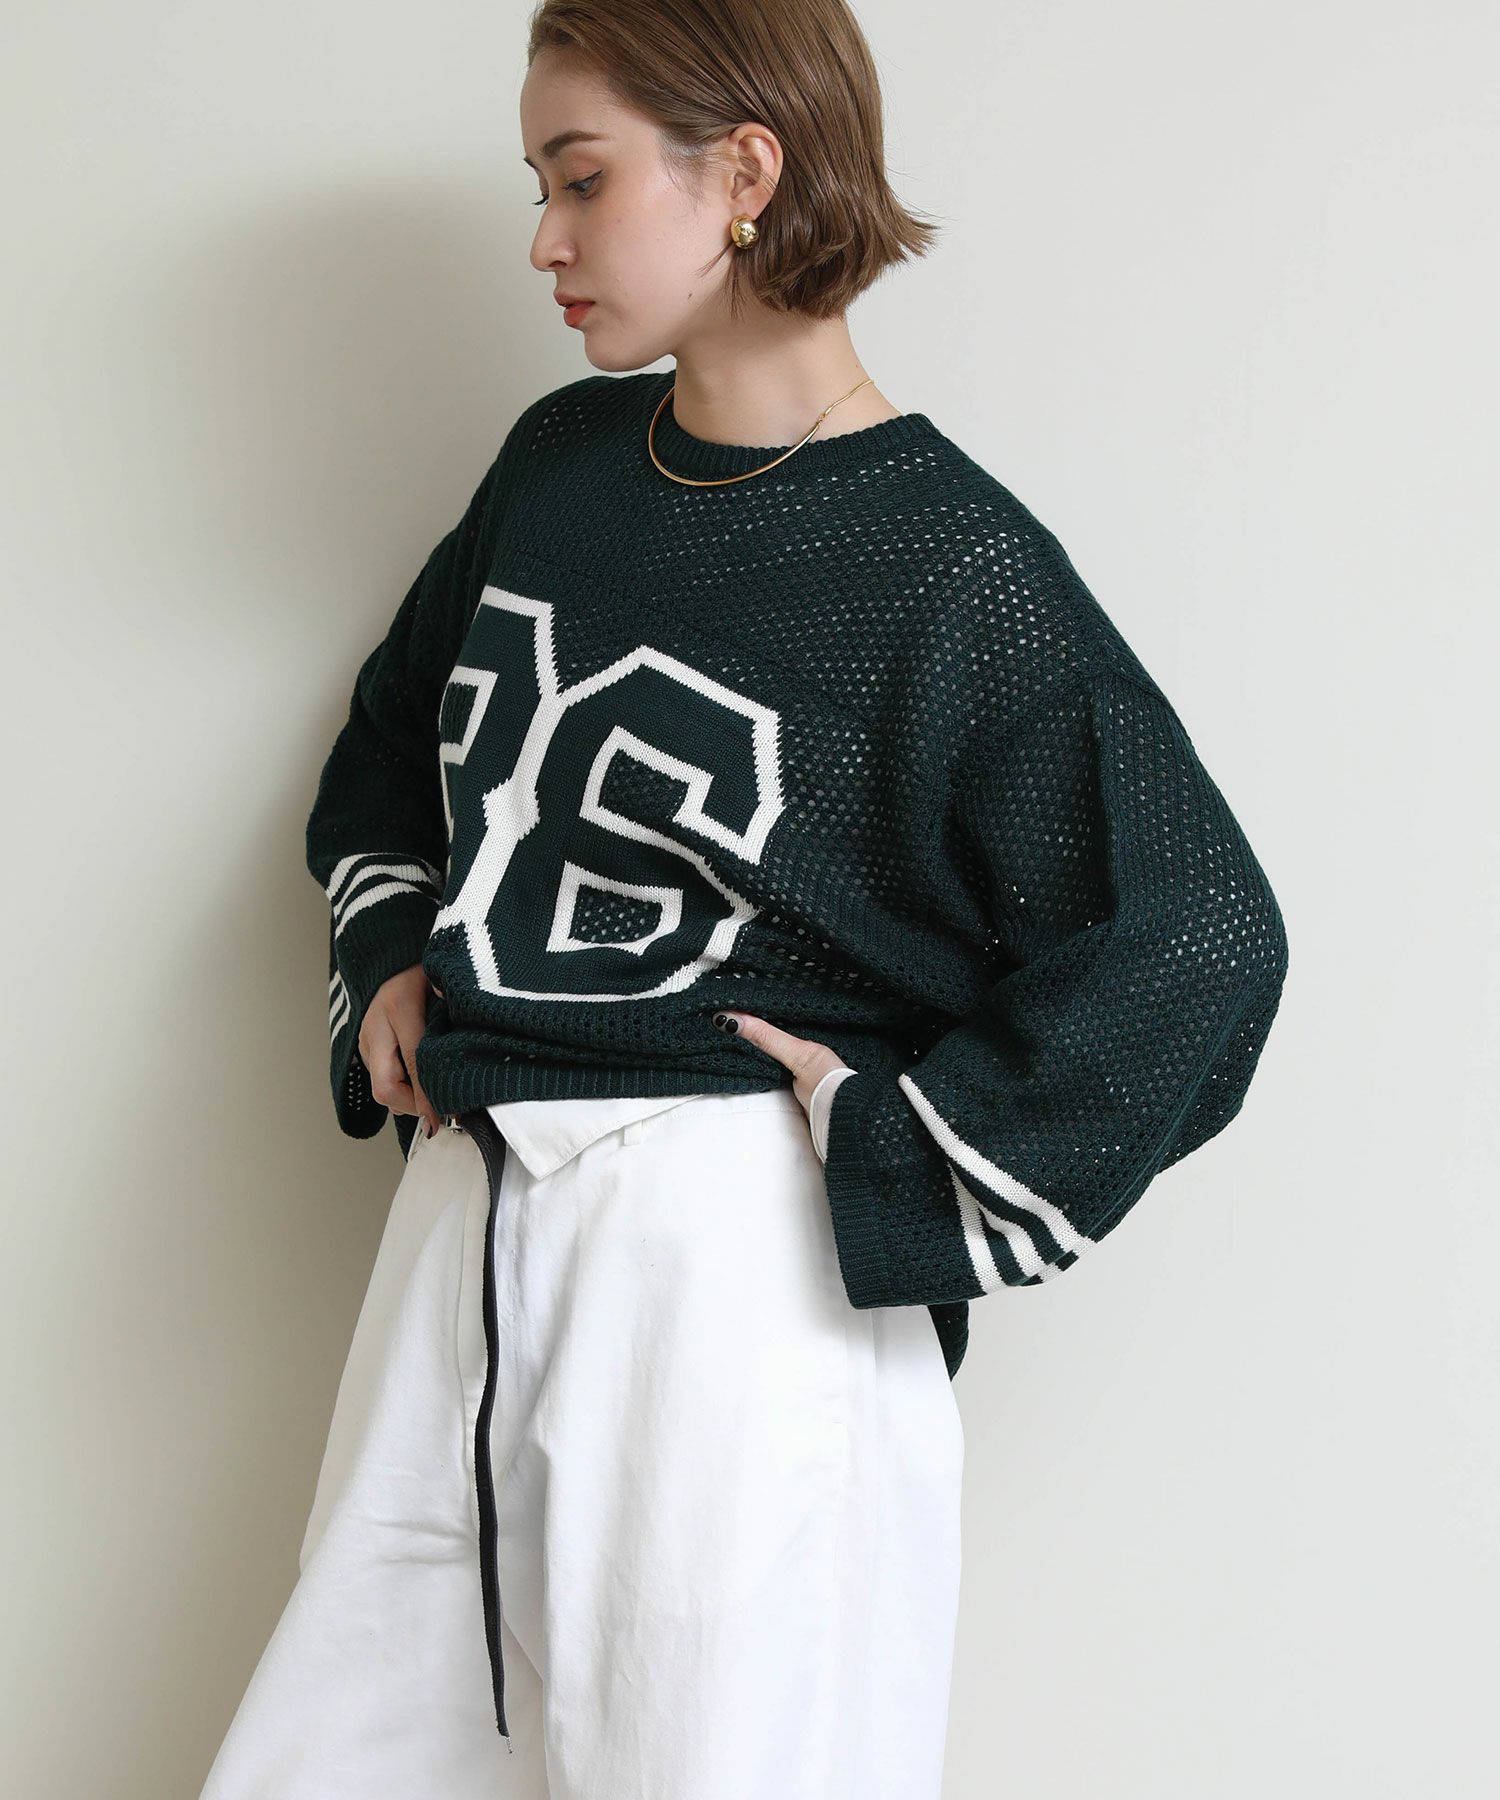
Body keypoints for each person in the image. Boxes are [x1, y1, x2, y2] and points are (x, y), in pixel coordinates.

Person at [200, 3, 1290, 1796]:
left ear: (746, 172)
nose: (543, 240)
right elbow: (392, 740)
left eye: (582, 181)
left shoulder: (951, 567)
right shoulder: (559, 464)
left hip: (731, 1265)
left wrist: (892, 1147)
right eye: (538, 186)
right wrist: (389, 948)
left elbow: (1200, 935)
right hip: (464, 1222)